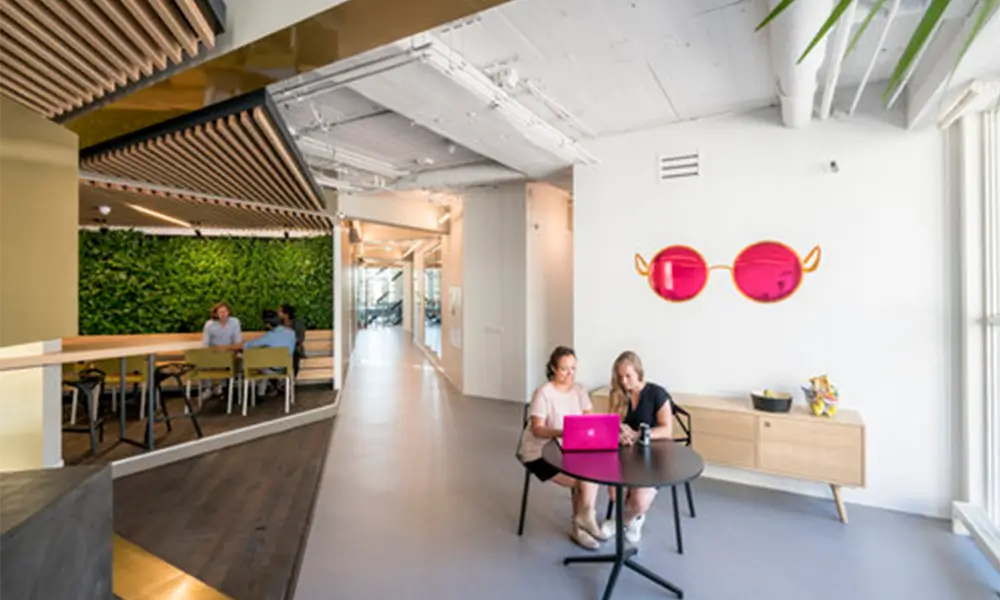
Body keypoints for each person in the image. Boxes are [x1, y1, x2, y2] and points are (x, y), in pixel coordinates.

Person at [518, 346, 608, 550]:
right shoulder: (543, 393)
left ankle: (584, 520)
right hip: (539, 453)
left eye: (573, 368)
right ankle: (582, 523)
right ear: (553, 368)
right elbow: (538, 429)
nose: (570, 374)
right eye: (564, 369)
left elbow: (589, 417)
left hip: (570, 447)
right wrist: (562, 432)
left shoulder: (579, 390)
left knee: (593, 474)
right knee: (584, 481)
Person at [599, 350, 673, 544]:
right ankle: (630, 519)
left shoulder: (657, 393)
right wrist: (618, 431)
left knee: (639, 502)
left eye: (628, 376)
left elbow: (666, 430)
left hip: (654, 457)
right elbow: (610, 425)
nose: (624, 381)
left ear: (639, 373)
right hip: (626, 455)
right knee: (615, 492)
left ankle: (625, 520)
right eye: (620, 376)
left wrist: (638, 434)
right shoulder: (618, 394)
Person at [243, 309, 297, 395]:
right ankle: (263, 391)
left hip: (272, 369)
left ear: (267, 324)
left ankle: (261, 393)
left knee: (248, 359)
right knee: (265, 362)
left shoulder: (268, 336)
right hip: (287, 368)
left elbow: (247, 345)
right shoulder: (292, 333)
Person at [200, 302, 243, 399]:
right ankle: (208, 387)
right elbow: (206, 344)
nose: (223, 314)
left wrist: (226, 348)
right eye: (220, 312)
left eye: (225, 311)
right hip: (214, 354)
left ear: (229, 312)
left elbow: (238, 342)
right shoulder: (209, 325)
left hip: (231, 353)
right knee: (200, 362)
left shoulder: (235, 322)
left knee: (241, 360)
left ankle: (227, 388)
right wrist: (217, 350)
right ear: (216, 314)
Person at [278, 304, 306, 376]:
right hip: (279, 349)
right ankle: (280, 382)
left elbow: (300, 339)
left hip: (294, 349)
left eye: (279, 311)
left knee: (294, 353)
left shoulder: (298, 324)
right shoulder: (278, 324)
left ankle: (290, 380)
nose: (277, 313)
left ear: (286, 314)